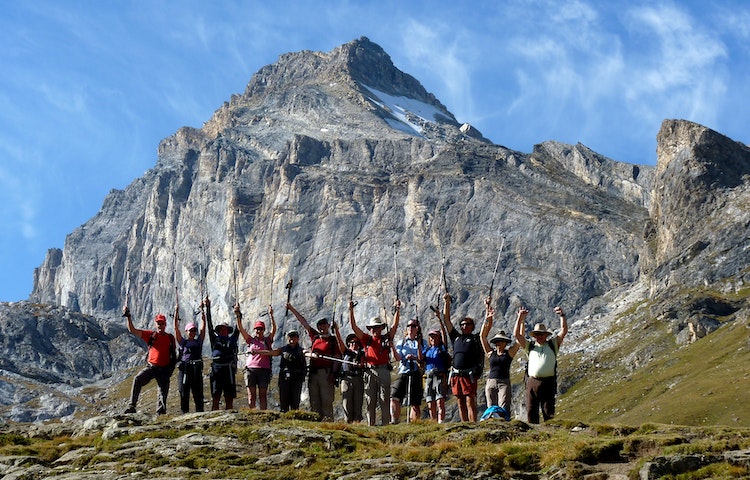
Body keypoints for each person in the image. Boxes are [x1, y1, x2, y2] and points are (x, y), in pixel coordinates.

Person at [513, 306, 568, 423]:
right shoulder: (530, 346)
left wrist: (562, 315)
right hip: (532, 382)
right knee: (531, 411)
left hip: (548, 382)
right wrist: (520, 318)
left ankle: (549, 434)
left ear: (546, 335)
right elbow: (517, 335)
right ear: (534, 336)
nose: (539, 336)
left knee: (548, 411)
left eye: (542, 334)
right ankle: (534, 436)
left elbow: (563, 331)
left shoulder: (553, 345)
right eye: (537, 334)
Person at [350, 299, 400, 426]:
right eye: (373, 328)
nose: (375, 330)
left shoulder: (386, 338)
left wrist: (397, 310)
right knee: (370, 399)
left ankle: (385, 424)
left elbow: (395, 326)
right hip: (370, 370)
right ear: (370, 329)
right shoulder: (366, 339)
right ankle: (370, 424)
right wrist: (351, 310)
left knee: (384, 399)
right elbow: (354, 327)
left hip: (383, 370)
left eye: (377, 327)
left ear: (381, 328)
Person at [287, 303, 341, 420]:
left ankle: (328, 422)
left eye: (324, 325)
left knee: (326, 400)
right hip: (313, 373)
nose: (322, 327)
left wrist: (333, 373)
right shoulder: (315, 337)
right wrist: (291, 308)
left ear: (328, 326)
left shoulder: (333, 340)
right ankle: (316, 422)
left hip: (326, 374)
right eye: (319, 325)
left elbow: (337, 358)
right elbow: (304, 322)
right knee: (314, 400)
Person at [123, 307, 177, 415]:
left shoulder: (170, 338)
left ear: (165, 324)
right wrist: (128, 317)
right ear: (155, 324)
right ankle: (132, 405)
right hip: (152, 367)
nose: (160, 325)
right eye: (158, 323)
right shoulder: (151, 335)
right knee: (137, 379)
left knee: (163, 392)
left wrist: (171, 369)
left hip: (164, 369)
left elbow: (173, 354)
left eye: (162, 323)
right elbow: (132, 330)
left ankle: (160, 413)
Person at [440, 292, 484, 422]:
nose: (464, 326)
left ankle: (472, 424)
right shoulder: (456, 337)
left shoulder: (476, 338)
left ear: (472, 326)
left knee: (470, 399)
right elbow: (446, 320)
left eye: (467, 324)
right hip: (456, 375)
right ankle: (464, 423)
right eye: (462, 324)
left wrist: (488, 311)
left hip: (469, 374)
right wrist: (446, 303)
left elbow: (486, 328)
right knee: (460, 401)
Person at [480, 299, 520, 415]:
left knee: (504, 408)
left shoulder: (509, 353)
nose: (499, 343)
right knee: (491, 409)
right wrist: (487, 317)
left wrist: (520, 320)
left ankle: (504, 424)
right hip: (491, 382)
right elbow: (482, 336)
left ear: (506, 343)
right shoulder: (490, 353)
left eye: (501, 341)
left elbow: (518, 340)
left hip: (504, 382)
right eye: (497, 341)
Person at [256, 330, 307, 412]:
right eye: (290, 336)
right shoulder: (283, 349)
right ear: (287, 338)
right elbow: (272, 352)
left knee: (295, 401)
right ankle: (284, 418)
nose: (292, 338)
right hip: (284, 379)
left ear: (298, 338)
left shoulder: (301, 350)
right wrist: (257, 352)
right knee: (284, 400)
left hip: (297, 379)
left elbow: (306, 353)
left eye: (294, 336)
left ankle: (295, 418)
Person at [237, 304, 276, 410]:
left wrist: (271, 316)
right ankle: (252, 414)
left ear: (264, 330)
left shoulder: (268, 340)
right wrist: (237, 316)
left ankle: (263, 414)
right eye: (257, 329)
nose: (258, 331)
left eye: (260, 329)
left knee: (263, 395)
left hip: (264, 370)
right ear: (255, 330)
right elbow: (240, 329)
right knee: (251, 395)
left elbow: (274, 329)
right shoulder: (250, 340)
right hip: (251, 370)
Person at [205, 297, 240, 410]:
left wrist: (238, 314)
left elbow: (238, 328)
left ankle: (229, 417)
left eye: (225, 329)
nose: (223, 331)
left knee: (229, 396)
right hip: (216, 369)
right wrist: (208, 308)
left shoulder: (232, 340)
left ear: (228, 331)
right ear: (218, 330)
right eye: (221, 329)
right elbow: (209, 325)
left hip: (228, 369)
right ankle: (214, 417)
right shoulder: (214, 339)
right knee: (216, 395)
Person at [391, 318, 427, 423]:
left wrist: (418, 347)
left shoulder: (423, 342)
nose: (411, 328)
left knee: (415, 402)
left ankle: (414, 422)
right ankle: (394, 420)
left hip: (415, 372)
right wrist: (392, 346)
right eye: (409, 326)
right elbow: (398, 358)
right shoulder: (401, 342)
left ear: (417, 328)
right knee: (394, 396)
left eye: (413, 326)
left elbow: (421, 359)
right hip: (403, 370)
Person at [174, 302, 207, 414]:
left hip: (196, 370)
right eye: (190, 331)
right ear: (186, 332)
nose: (192, 332)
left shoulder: (198, 342)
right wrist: (176, 313)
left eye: (194, 330)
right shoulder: (183, 342)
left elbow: (203, 331)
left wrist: (204, 318)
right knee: (184, 391)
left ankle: (200, 412)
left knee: (198, 392)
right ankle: (184, 412)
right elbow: (176, 329)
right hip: (185, 370)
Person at [423, 318, 451, 423]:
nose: (433, 338)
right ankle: (433, 421)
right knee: (430, 399)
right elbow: (421, 358)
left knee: (440, 400)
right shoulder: (427, 350)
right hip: (428, 375)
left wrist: (440, 320)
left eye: (435, 336)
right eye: (431, 337)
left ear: (439, 338)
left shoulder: (442, 348)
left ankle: (441, 421)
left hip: (440, 374)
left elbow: (444, 334)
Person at [334, 330, 365, 423]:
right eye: (351, 342)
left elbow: (364, 364)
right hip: (346, 379)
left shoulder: (362, 354)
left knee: (358, 401)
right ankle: (348, 421)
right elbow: (339, 341)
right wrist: (336, 331)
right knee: (346, 402)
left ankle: (357, 421)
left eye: (356, 342)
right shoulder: (346, 352)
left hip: (358, 379)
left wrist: (360, 365)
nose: (353, 344)